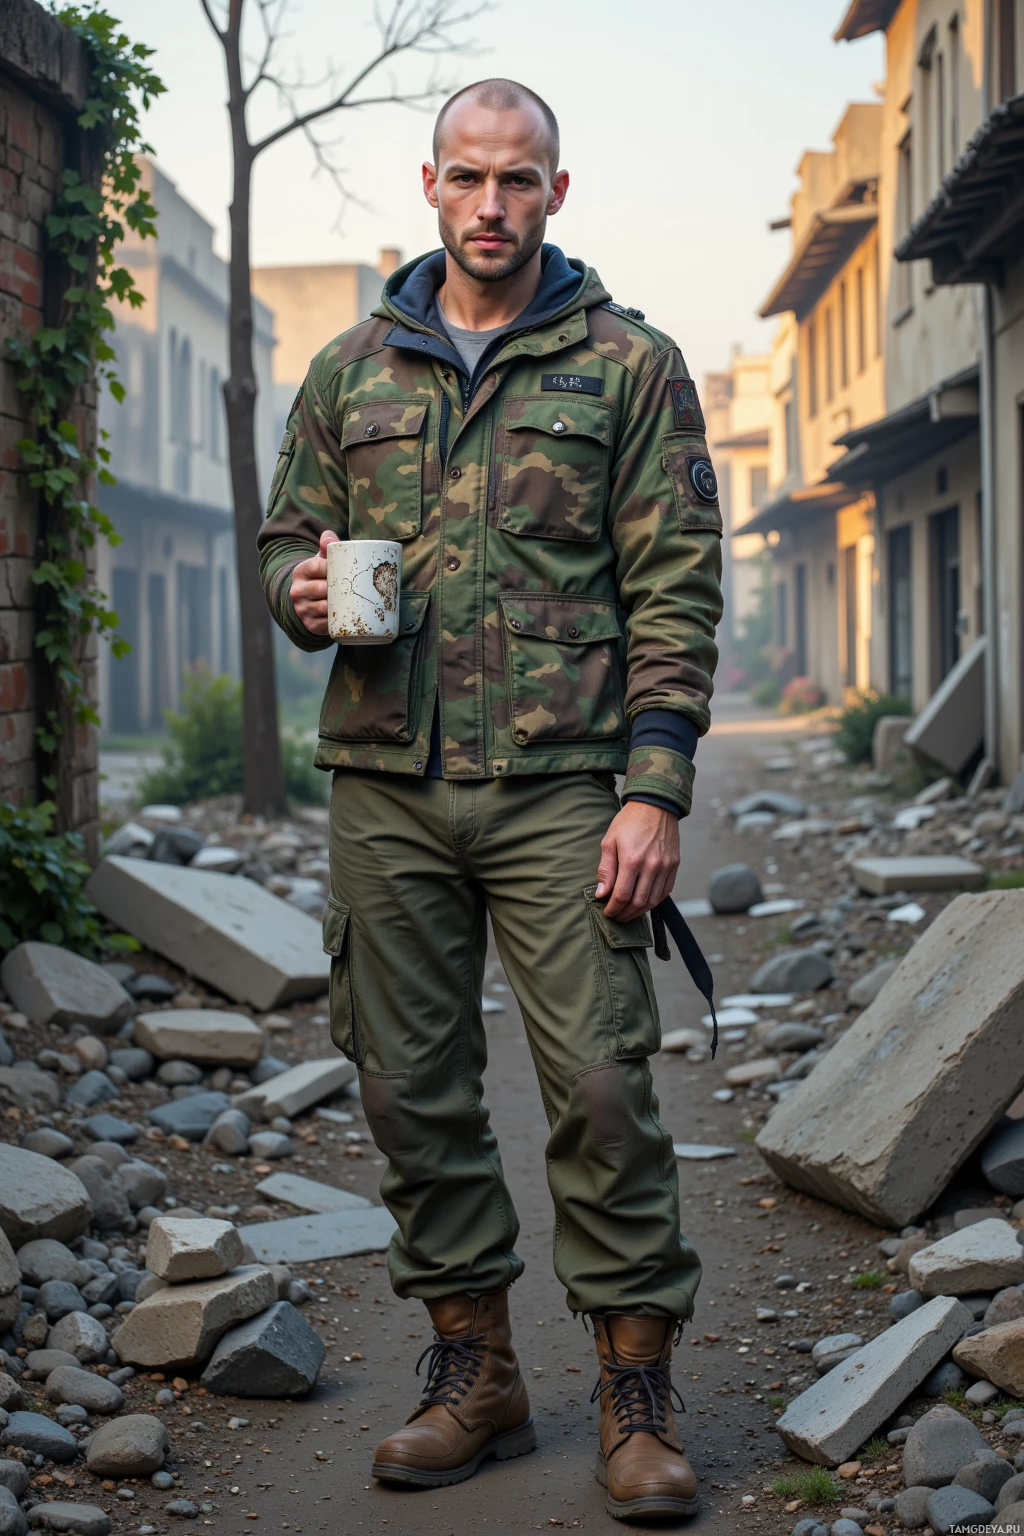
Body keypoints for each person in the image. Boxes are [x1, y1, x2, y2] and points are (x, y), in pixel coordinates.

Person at [257, 77, 723, 1522]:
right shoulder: (350, 371)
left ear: (557, 195)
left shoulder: (629, 366)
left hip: (564, 792)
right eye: (469, 178)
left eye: (520, 181)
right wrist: (303, 590)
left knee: (600, 1085)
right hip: (388, 786)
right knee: (407, 1092)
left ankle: (635, 1391)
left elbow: (676, 591)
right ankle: (478, 1373)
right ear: (430, 185)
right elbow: (283, 545)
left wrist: (655, 791)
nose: (492, 206)